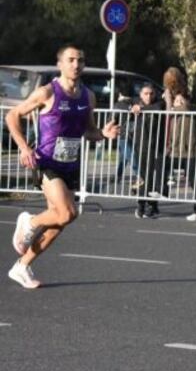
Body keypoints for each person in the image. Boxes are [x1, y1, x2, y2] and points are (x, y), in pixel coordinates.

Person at [5, 44, 120, 288]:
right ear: (60, 64)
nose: (76, 64)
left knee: (59, 222)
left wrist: (102, 134)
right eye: (71, 60)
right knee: (68, 212)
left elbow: (88, 131)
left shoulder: (88, 96)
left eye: (80, 60)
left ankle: (22, 266)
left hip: (70, 166)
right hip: (46, 163)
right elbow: (12, 115)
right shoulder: (47, 92)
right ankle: (30, 222)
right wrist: (24, 147)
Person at [160, 67, 196, 221]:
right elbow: (167, 112)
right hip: (175, 146)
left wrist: (173, 103)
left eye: (173, 82)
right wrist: (169, 101)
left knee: (194, 179)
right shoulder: (168, 95)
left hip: (193, 148)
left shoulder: (189, 95)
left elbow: (186, 108)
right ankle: (162, 189)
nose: (171, 85)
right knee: (161, 164)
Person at [127, 84, 165, 219]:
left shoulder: (159, 104)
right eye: (146, 93)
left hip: (157, 147)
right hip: (140, 146)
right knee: (143, 176)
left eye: (151, 94)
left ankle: (153, 206)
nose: (148, 96)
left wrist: (140, 108)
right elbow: (121, 105)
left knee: (153, 178)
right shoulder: (134, 102)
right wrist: (132, 108)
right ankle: (141, 205)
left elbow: (158, 107)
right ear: (140, 95)